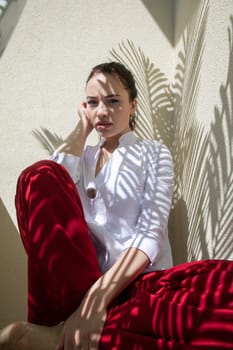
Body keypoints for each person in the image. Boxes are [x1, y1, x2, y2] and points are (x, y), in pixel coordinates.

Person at [0, 62, 232, 350]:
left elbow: (151, 234)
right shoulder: (79, 157)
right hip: (76, 289)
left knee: (223, 293)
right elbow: (45, 193)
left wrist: (97, 299)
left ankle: (61, 336)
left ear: (133, 105)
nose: (102, 111)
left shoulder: (154, 154)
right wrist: (82, 129)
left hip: (135, 284)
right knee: (37, 176)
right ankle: (70, 325)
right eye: (93, 102)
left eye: (113, 101)